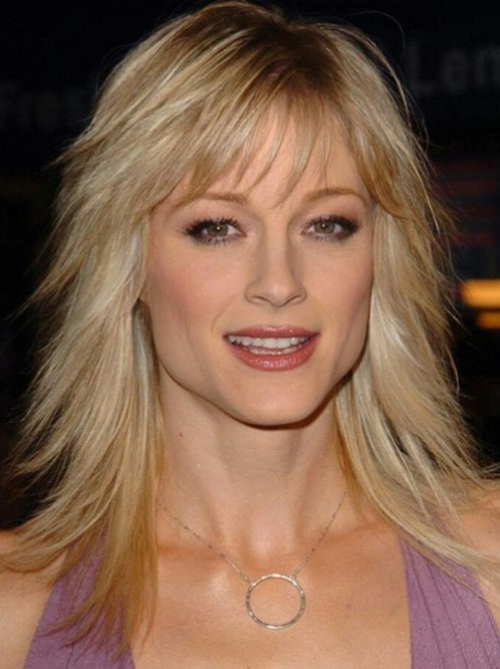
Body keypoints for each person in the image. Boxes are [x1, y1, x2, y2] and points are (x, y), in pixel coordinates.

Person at [1, 1, 500, 667]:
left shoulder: (490, 560)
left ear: (380, 258)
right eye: (217, 228)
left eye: (327, 225)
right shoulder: (15, 608)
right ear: (129, 264)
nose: (278, 281)